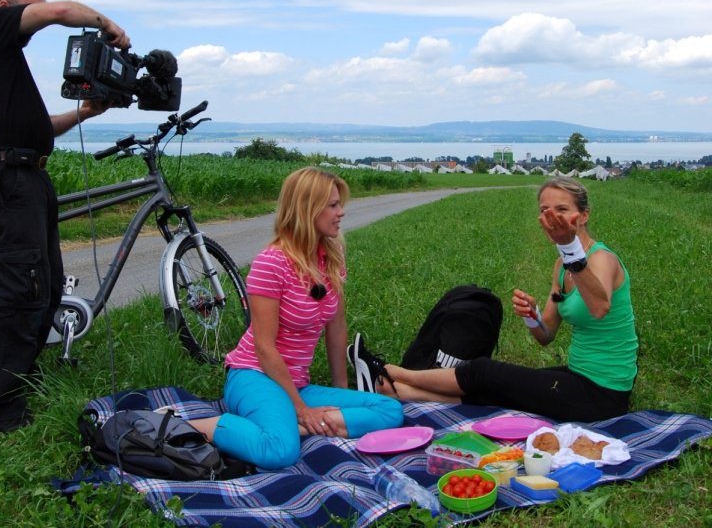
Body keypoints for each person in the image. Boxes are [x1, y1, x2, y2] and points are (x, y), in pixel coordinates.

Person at [0, 0, 130, 432]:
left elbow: (40, 126)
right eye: (31, 12)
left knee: (45, 290)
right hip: (7, 182)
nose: (35, 23)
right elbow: (60, 11)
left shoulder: (0, 64)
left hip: (25, 178)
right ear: (6, 6)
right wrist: (108, 26)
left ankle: (18, 392)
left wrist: (84, 115)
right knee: (21, 294)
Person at [349, 177, 638, 423]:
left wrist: (569, 246)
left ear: (583, 216)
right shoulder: (561, 266)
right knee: (498, 387)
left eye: (562, 210)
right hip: (578, 375)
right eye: (545, 210)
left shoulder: (602, 260)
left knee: (484, 370)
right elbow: (546, 336)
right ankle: (397, 392)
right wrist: (531, 316)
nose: (553, 218)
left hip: (604, 393)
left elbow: (599, 308)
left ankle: (389, 372)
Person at [189, 167, 403, 469]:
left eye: (339, 203)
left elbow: (337, 329)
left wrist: (341, 391)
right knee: (279, 452)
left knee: (389, 410)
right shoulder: (271, 263)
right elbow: (264, 348)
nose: (341, 212)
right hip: (255, 376)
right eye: (332, 205)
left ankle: (288, 425)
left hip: (296, 383)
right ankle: (206, 426)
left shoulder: (331, 258)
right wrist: (301, 409)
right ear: (307, 209)